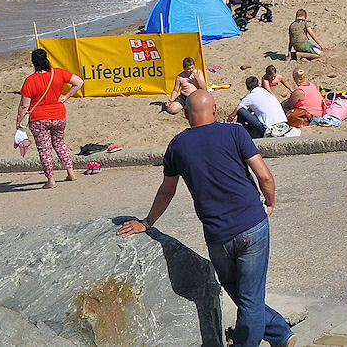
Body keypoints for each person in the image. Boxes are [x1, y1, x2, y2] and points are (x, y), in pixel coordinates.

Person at [116, 92, 294, 347]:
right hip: (252, 225)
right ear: (215, 109)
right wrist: (271, 202)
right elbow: (264, 176)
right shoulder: (235, 132)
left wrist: (147, 222)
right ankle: (279, 334)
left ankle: (280, 335)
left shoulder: (177, 145)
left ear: (186, 114)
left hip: (218, 235)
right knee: (250, 299)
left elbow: (167, 191)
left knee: (242, 294)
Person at [16, 48, 83, 188]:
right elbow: (79, 82)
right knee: (60, 143)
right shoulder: (58, 73)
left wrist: (19, 122)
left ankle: (51, 180)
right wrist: (65, 97)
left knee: (44, 149)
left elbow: (24, 105)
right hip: (58, 115)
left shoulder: (30, 80)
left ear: (33, 62)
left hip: (38, 119)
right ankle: (71, 172)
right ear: (46, 59)